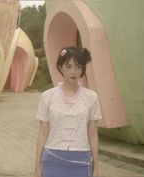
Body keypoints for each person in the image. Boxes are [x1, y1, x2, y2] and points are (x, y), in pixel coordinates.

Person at [34, 47, 102, 177]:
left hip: (81, 160)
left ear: (82, 69)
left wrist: (96, 169)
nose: (73, 71)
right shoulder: (47, 96)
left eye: (78, 67)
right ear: (60, 67)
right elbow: (42, 133)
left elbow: (93, 135)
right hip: (52, 160)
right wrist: (37, 167)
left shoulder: (91, 97)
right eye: (68, 66)